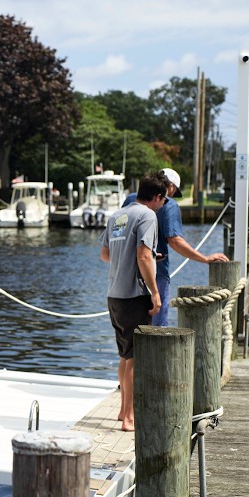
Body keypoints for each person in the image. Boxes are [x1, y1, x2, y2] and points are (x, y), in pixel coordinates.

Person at [120, 168, 229, 326]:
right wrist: (205, 259)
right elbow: (175, 240)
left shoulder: (131, 199)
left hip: (127, 274)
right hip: (155, 272)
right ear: (170, 186)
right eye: (174, 191)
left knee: (130, 331)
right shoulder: (169, 205)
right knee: (157, 330)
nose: (170, 197)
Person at [100, 171, 165, 432]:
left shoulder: (119, 214)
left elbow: (106, 254)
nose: (163, 206)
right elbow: (143, 255)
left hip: (114, 295)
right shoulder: (148, 215)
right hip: (134, 296)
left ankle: (121, 412)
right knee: (136, 359)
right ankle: (129, 418)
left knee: (125, 356)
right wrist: (155, 291)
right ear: (158, 197)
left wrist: (134, 257)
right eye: (164, 201)